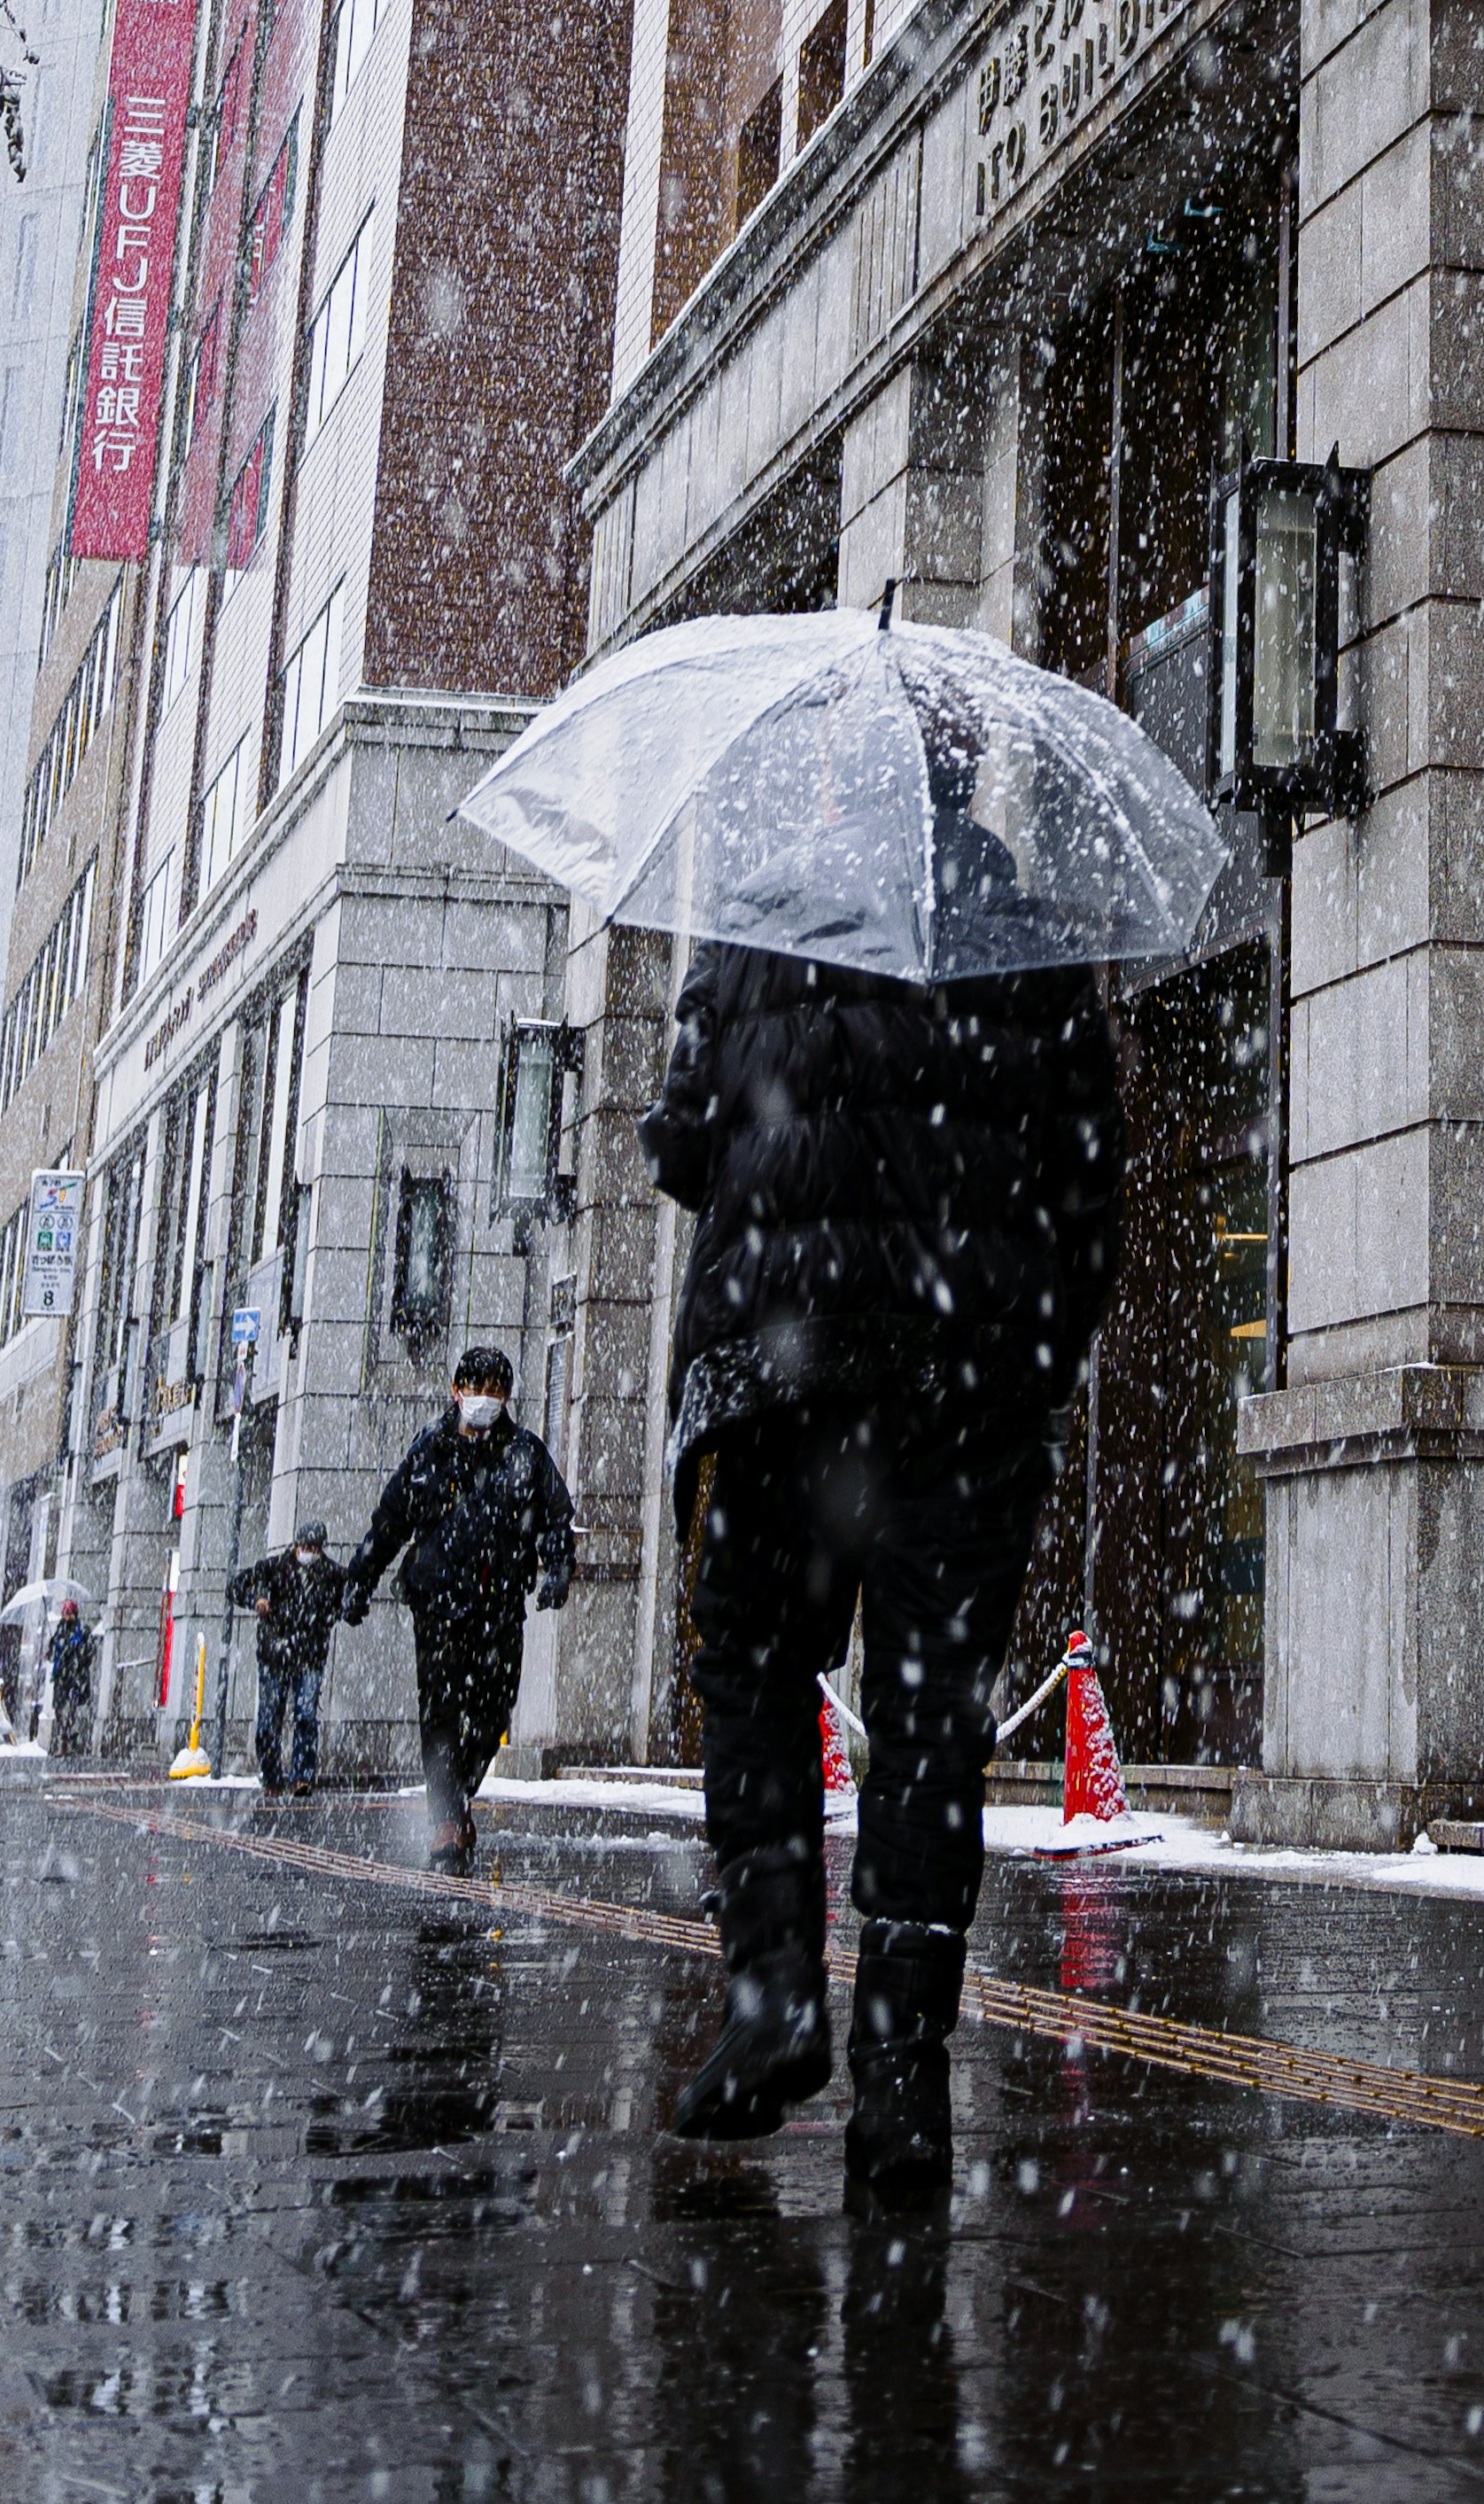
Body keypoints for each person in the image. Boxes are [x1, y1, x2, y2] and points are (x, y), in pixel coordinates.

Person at [640, 876, 1122, 2198]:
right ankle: (903, 2069)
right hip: (962, 1387)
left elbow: (681, 1152)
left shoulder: (755, 930)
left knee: (747, 1666)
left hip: (777, 1376)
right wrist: (1032, 1351)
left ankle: (773, 1994)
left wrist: (707, 1042)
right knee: (929, 1713)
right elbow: (1092, 1174)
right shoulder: (1029, 933)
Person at [339, 1349, 575, 1864]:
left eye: (495, 1390)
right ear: (456, 1389)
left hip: (501, 1606)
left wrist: (558, 1568)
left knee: (493, 1712)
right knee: (442, 1712)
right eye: (477, 1387)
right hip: (438, 1605)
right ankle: (445, 1819)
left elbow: (557, 1517)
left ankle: (459, 1795)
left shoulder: (525, 1454)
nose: (485, 1399)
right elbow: (389, 1523)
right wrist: (358, 1582)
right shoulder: (429, 1451)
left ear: (508, 1396)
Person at [227, 1520, 349, 1791]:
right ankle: (272, 1776)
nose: (309, 1552)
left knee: (306, 1716)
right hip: (275, 1655)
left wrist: (329, 1617)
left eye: (314, 1548)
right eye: (305, 1546)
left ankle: (302, 1776)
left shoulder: (331, 1573)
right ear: (296, 1545)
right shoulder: (273, 1568)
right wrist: (257, 1601)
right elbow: (236, 1587)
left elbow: (348, 1601)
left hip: (310, 1656)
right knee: (269, 1721)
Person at [43, 1592, 99, 1760]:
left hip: (76, 1677)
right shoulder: (59, 1630)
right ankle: (64, 1738)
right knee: (60, 1709)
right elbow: (53, 1653)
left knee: (72, 1709)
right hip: (61, 1676)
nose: (66, 1616)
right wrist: (52, 1648)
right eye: (64, 1613)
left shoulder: (82, 1630)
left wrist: (78, 1656)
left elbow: (89, 1652)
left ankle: (67, 1740)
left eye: (69, 1613)